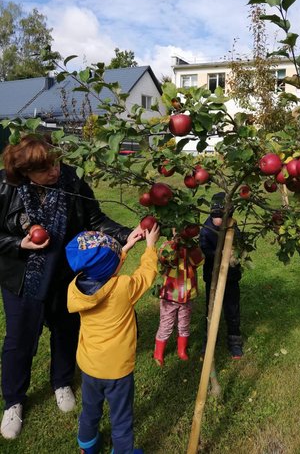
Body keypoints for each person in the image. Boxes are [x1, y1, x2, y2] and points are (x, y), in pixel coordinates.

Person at [0, 134, 141, 440]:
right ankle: (13, 401)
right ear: (24, 172)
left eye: (56, 162)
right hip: (22, 279)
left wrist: (128, 234)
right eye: (45, 169)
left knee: (66, 330)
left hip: (64, 275)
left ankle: (61, 382)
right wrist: (18, 243)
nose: (54, 171)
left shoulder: (71, 180)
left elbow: (94, 219)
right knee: (19, 340)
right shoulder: (5, 188)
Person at [66, 224, 160, 454]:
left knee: (90, 409)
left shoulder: (76, 288)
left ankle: (87, 445)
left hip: (90, 365)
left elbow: (104, 272)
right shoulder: (123, 288)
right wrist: (150, 247)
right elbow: (146, 275)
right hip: (117, 370)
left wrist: (125, 247)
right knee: (121, 417)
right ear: (112, 267)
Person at [200, 192, 244, 359]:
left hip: (231, 279)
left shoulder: (233, 228)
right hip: (213, 277)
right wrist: (220, 254)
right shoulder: (206, 229)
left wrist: (234, 255)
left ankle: (234, 341)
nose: (219, 220)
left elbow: (239, 246)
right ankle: (209, 340)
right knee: (210, 308)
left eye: (223, 216)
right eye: (215, 216)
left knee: (232, 309)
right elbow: (205, 248)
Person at [153, 232, 204, 366]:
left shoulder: (191, 247)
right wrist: (174, 244)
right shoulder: (168, 246)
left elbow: (200, 260)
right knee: (166, 324)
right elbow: (164, 258)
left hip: (187, 295)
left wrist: (191, 247)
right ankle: (158, 353)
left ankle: (181, 350)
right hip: (170, 295)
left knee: (184, 323)